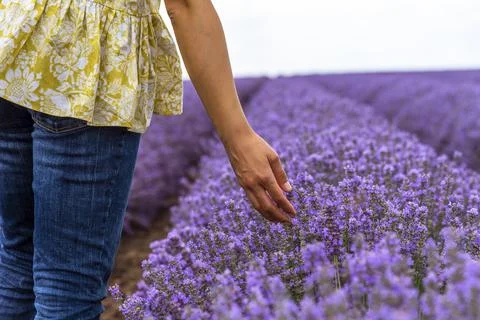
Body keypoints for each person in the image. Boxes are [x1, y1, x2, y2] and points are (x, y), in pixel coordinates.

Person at [0, 0, 297, 318]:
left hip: (11, 49)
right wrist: (238, 137)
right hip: (82, 63)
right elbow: (185, 6)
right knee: (67, 285)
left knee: (17, 259)